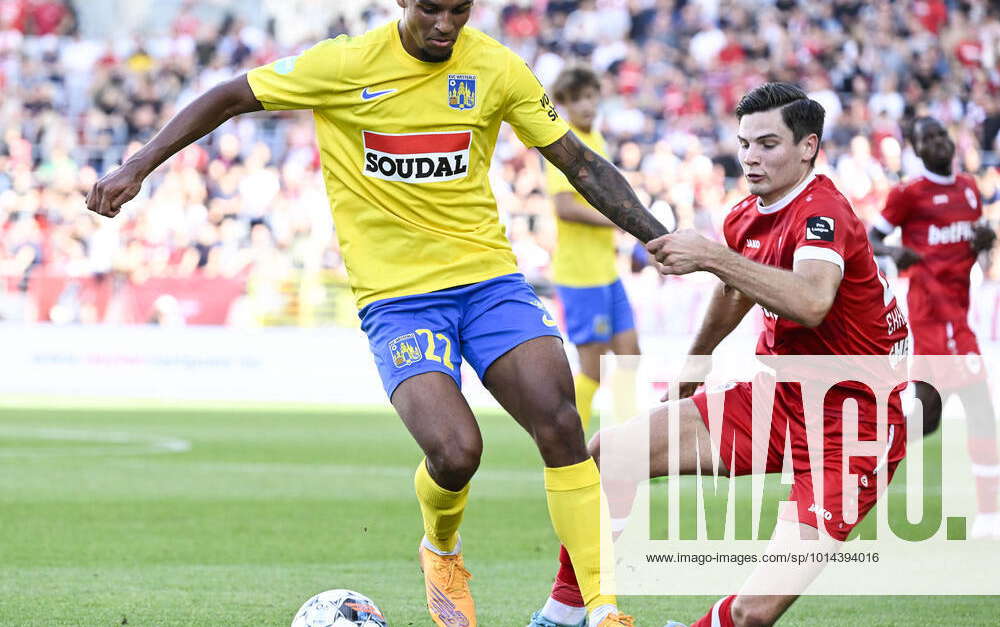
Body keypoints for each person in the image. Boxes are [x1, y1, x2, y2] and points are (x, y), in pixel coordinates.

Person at [84, 2, 667, 626]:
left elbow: (577, 162)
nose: (446, 23)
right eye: (430, 9)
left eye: (460, 9)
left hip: (489, 281)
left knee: (559, 421)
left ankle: (604, 610)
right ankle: (441, 547)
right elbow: (229, 96)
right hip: (399, 298)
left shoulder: (497, 68)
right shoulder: (343, 64)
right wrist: (136, 166)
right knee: (455, 452)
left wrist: (658, 238)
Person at [530, 83, 909, 627]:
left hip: (854, 423)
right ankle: (563, 615)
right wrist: (695, 363)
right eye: (745, 143)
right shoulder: (745, 216)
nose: (751, 157)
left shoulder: (824, 212)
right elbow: (736, 290)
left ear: (809, 147)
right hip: (782, 401)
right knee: (611, 454)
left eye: (768, 143)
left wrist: (710, 255)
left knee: (753, 613)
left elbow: (811, 300)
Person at [869, 116, 1000, 538]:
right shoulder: (909, 194)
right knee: (980, 411)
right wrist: (896, 252)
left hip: (958, 313)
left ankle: (859, 454)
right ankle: (991, 515)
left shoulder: (966, 188)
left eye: (941, 133)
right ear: (916, 149)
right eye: (926, 139)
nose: (937, 143)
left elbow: (975, 251)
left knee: (926, 420)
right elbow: (870, 239)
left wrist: (983, 244)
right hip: (932, 316)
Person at [545, 65, 641, 432]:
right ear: (564, 104)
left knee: (630, 356)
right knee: (593, 371)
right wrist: (617, 220)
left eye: (590, 96)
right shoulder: (563, 143)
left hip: (605, 271)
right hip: (580, 275)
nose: (587, 105)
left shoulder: (596, 140)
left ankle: (633, 446)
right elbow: (564, 206)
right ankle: (573, 448)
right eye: (577, 99)